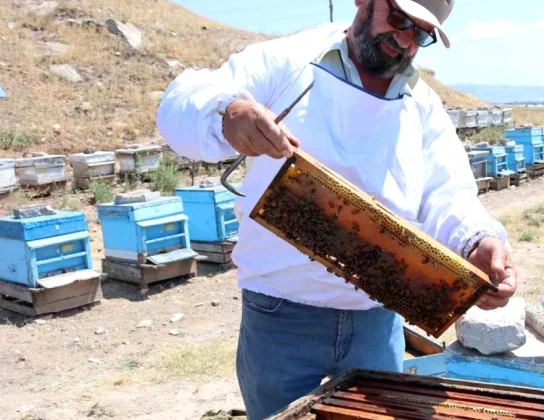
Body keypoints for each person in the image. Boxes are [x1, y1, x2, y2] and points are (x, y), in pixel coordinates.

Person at [157, 0, 517, 417]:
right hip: (280, 315)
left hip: (376, 319)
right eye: (398, 19)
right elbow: (180, 103)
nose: (403, 40)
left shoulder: (423, 105)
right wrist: (229, 113)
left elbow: (448, 192)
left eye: (420, 34)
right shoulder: (288, 61)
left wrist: (478, 240)